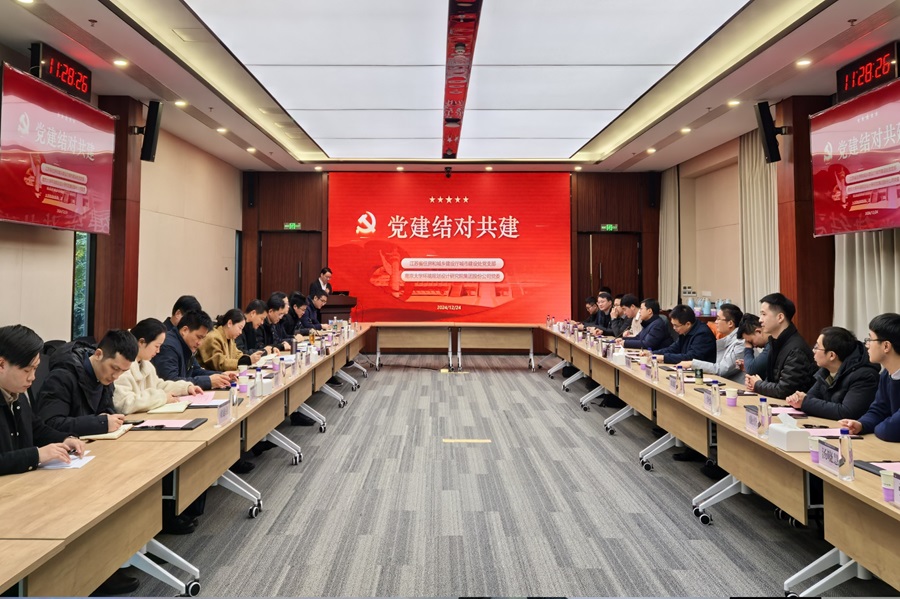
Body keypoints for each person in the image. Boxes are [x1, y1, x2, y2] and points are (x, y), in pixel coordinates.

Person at [0, 324, 85, 475]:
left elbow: (37, 430)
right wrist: (37, 455)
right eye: (27, 370)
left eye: (35, 368)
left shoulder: (17, 394)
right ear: (1, 364)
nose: (32, 377)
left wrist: (65, 439)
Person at [35, 330, 138, 436]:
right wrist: (100, 423)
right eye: (115, 368)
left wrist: (109, 417)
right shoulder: (63, 376)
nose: (116, 376)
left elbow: (106, 410)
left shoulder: (105, 377)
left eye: (123, 371)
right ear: (98, 354)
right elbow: (50, 424)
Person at [786, 326, 878, 420]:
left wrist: (805, 402)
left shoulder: (864, 376)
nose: (813, 350)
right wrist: (798, 400)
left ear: (831, 355)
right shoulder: (826, 371)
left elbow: (846, 412)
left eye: (817, 347)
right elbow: (810, 397)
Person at [113, 318, 203, 414]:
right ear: (141, 342)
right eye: (156, 346)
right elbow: (125, 404)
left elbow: (158, 385)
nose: (158, 351)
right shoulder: (122, 366)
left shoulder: (146, 365)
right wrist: (163, 397)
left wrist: (185, 388)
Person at [840, 313, 900, 441]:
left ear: (886, 346)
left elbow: (891, 430)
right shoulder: (886, 374)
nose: (866, 345)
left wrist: (877, 427)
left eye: (870, 339)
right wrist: (862, 424)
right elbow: (878, 410)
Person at [745, 293, 816, 399]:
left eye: (764, 314)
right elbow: (773, 380)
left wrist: (758, 385)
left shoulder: (795, 349)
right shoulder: (775, 342)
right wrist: (755, 382)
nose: (760, 320)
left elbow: (786, 390)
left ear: (780, 317)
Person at [152, 310, 235, 390]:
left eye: (203, 338)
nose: (200, 343)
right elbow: (171, 382)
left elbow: (196, 371)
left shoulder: (187, 345)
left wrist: (221, 375)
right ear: (185, 330)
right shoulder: (168, 347)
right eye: (199, 337)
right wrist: (209, 381)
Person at [681, 303, 745, 383]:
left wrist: (692, 364)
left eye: (718, 319)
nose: (715, 322)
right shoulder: (729, 339)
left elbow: (721, 370)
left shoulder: (740, 343)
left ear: (730, 323)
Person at [198, 310, 264, 372]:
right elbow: (220, 363)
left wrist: (249, 358)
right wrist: (246, 361)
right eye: (240, 328)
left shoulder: (230, 338)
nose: (240, 332)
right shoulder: (213, 337)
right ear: (229, 323)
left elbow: (237, 354)